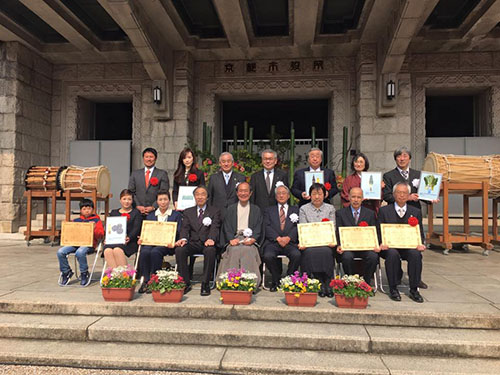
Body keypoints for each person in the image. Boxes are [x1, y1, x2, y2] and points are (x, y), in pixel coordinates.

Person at [382, 146, 429, 289]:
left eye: (404, 156)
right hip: (395, 216)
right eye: (399, 156)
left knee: (415, 250)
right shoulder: (388, 176)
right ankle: (396, 276)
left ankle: (416, 279)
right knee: (394, 248)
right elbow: (388, 196)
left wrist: (431, 198)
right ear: (395, 159)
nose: (402, 159)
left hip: (413, 214)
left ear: (409, 158)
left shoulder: (418, 174)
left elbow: (425, 195)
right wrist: (407, 197)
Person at [378, 182, 426, 303]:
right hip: (389, 246)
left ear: (408, 195)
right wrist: (381, 243)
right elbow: (379, 230)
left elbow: (419, 231)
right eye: (398, 192)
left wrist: (421, 243)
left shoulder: (415, 212)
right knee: (392, 254)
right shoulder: (384, 211)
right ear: (394, 194)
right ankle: (393, 288)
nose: (401, 195)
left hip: (408, 246)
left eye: (404, 193)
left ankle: (414, 289)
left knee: (415, 254)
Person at [175, 186, 221, 296]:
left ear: (207, 197)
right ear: (194, 197)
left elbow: (215, 227)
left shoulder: (214, 211)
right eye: (197, 194)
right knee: (180, 250)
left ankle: (205, 283)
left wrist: (211, 238)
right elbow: (185, 228)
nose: (200, 197)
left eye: (203, 194)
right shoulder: (188, 212)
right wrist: (183, 239)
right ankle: (185, 282)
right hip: (193, 242)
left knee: (210, 251)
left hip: (207, 242)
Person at [218, 182, 263, 287]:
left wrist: (253, 239)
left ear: (250, 193)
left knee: (248, 250)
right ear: (237, 193)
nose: (243, 193)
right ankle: (229, 280)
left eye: (246, 191)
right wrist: (230, 239)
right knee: (234, 250)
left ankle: (250, 282)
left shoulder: (256, 209)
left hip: (249, 239)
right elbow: (227, 227)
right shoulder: (231, 209)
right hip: (235, 238)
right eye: (241, 191)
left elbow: (258, 227)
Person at [137, 191, 182, 293]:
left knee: (155, 252)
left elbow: (178, 231)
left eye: (165, 199)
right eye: (160, 200)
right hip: (151, 242)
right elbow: (146, 231)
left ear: (169, 201)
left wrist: (174, 242)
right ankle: (145, 280)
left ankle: (154, 279)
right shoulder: (151, 215)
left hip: (167, 244)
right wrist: (142, 238)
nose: (163, 202)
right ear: (157, 201)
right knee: (144, 251)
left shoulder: (176, 215)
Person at [298, 183, 336, 297]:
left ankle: (328, 281)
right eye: (314, 194)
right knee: (310, 252)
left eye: (320, 194)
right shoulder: (303, 209)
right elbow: (303, 227)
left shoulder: (330, 208)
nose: (317, 197)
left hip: (326, 241)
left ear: (325, 195)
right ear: (310, 195)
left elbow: (332, 226)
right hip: (310, 242)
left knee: (327, 251)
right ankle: (316, 282)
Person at [336, 187, 379, 285]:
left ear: (362, 198)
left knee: (373, 256)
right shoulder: (340, 213)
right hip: (348, 247)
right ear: (349, 198)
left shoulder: (370, 214)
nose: (356, 200)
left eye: (359, 197)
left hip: (365, 247)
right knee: (346, 257)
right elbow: (338, 232)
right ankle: (350, 282)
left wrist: (376, 244)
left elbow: (374, 231)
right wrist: (339, 245)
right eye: (353, 197)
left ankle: (366, 283)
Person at [262, 184, 301, 292]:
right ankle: (276, 279)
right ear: (275, 197)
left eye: (284, 193)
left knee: (297, 255)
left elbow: (298, 226)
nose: (281, 195)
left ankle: (289, 278)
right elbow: (267, 226)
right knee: (268, 256)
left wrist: (289, 237)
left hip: (290, 242)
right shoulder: (269, 210)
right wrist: (278, 238)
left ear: (288, 196)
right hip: (273, 242)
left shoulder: (296, 210)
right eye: (278, 193)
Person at [57, 199, 104, 286]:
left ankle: (84, 272)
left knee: (80, 252)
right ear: (80, 210)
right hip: (75, 243)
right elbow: (70, 233)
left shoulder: (96, 221)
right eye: (84, 209)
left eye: (89, 208)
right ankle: (66, 271)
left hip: (89, 245)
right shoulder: (76, 221)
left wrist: (94, 228)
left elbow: (100, 235)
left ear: (93, 209)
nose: (86, 211)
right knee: (60, 252)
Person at [103, 189, 143, 268]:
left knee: (117, 250)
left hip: (129, 241)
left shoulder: (136, 213)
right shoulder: (114, 212)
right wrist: (106, 238)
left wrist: (129, 237)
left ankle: (124, 275)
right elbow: (109, 227)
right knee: (107, 251)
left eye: (129, 199)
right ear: (120, 200)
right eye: (124, 199)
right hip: (114, 240)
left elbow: (136, 228)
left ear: (132, 201)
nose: (126, 201)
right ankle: (115, 275)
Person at [128, 147, 170, 216]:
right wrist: (137, 205)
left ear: (155, 158)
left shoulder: (162, 174)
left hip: (155, 212)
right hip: (138, 211)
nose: (149, 159)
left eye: (151, 157)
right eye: (146, 157)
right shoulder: (135, 174)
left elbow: (164, 192)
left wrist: (153, 207)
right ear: (143, 158)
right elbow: (131, 192)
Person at [207, 152, 246, 219]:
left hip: (235, 215)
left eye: (228, 161)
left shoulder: (241, 178)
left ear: (233, 163)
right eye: (223, 162)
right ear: (220, 163)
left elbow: (244, 197)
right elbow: (210, 197)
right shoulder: (213, 178)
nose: (226, 164)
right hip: (217, 216)